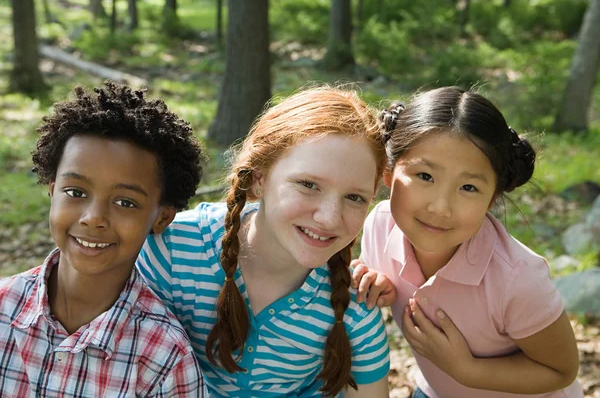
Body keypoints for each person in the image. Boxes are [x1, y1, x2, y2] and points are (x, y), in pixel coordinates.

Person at [136, 86, 391, 398]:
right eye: (308, 184)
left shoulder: (354, 305)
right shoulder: (171, 251)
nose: (329, 218)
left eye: (354, 197)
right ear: (260, 178)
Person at [352, 86, 583, 398]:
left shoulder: (516, 278)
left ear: (492, 199)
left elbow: (561, 370)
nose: (440, 207)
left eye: (469, 187)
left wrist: (466, 370)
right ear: (389, 172)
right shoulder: (380, 226)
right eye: (425, 176)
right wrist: (377, 282)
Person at [0, 81, 206, 397]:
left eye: (125, 202)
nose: (93, 217)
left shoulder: (164, 357)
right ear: (53, 192)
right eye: (75, 192)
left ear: (161, 217)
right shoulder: (2, 308)